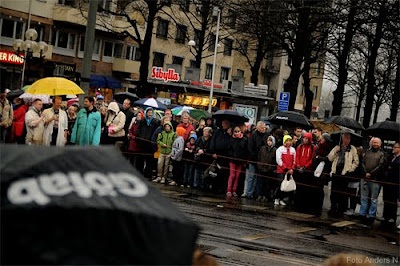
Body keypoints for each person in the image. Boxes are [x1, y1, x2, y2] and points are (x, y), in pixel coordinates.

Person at [328, 132, 359, 215]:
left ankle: (341, 208)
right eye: (345, 138)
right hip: (336, 172)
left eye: (348, 138)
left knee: (343, 192)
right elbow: (330, 158)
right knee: (334, 191)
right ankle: (333, 206)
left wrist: (350, 169)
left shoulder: (352, 149)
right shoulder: (337, 147)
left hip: (345, 173)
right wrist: (336, 152)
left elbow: (356, 161)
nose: (346, 140)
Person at [359, 137, 386, 223]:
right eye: (374, 142)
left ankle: (371, 215)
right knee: (363, 197)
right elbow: (362, 162)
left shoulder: (382, 154)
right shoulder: (367, 152)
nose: (375, 144)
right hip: (364, 178)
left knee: (374, 199)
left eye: (377, 143)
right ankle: (362, 214)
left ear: (380, 144)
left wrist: (371, 173)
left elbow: (381, 166)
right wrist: (365, 173)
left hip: (375, 179)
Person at [243, 121, 268, 198]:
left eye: (264, 127)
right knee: (251, 177)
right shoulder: (253, 135)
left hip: (261, 160)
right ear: (258, 128)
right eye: (262, 127)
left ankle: (256, 193)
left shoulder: (266, 135)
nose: (263, 129)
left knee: (258, 178)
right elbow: (250, 148)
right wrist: (254, 158)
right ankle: (249, 193)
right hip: (253, 159)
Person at [295, 132, 318, 212]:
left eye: (306, 138)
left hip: (307, 170)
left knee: (306, 188)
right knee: (299, 187)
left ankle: (305, 204)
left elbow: (312, 159)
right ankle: (298, 203)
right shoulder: (300, 146)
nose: (304, 140)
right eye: (304, 138)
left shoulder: (313, 147)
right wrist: (298, 166)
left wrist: (305, 167)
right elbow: (297, 156)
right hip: (299, 169)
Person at [136, 107, 160, 178]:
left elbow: (156, 132)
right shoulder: (142, 121)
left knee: (149, 160)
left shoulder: (155, 122)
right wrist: (140, 137)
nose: (150, 114)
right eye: (148, 112)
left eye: (151, 112)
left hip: (150, 144)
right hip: (142, 143)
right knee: (140, 160)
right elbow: (138, 129)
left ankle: (148, 174)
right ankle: (139, 173)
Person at [209, 119, 232, 192]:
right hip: (217, 155)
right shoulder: (217, 132)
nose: (225, 125)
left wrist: (230, 134)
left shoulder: (230, 133)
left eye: (226, 123)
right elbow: (212, 141)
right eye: (224, 123)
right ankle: (214, 187)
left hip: (226, 156)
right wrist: (212, 152)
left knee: (224, 173)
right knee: (216, 172)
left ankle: (222, 188)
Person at [227, 126, 248, 197]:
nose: (237, 133)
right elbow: (229, 149)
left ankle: (234, 190)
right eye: (235, 132)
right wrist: (231, 155)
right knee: (232, 175)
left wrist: (244, 160)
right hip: (233, 159)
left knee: (237, 176)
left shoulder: (244, 140)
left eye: (238, 131)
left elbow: (245, 150)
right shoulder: (231, 139)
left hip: (240, 160)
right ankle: (229, 190)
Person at [382, 142, 400, 226]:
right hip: (387, 181)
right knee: (386, 199)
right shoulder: (390, 157)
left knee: (393, 200)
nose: (394, 148)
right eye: (393, 147)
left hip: (395, 182)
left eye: (395, 147)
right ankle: (385, 216)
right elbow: (386, 166)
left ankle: (392, 217)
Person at [275, 135, 296, 206]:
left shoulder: (293, 150)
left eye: (289, 140)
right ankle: (277, 198)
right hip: (281, 170)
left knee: (286, 186)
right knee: (280, 184)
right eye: (287, 140)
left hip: (289, 171)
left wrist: (292, 168)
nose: (288, 142)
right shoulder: (280, 149)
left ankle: (282, 198)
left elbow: (294, 161)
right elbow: (278, 160)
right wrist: (286, 168)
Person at [256, 135, 277, 201]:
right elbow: (259, 158)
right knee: (260, 183)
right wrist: (259, 166)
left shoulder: (275, 150)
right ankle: (259, 195)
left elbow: (274, 161)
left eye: (271, 140)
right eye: (268, 140)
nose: (269, 142)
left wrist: (270, 168)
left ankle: (266, 195)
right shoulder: (263, 148)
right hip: (261, 169)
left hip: (269, 170)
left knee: (267, 184)